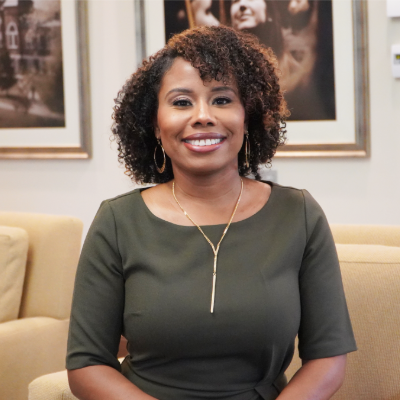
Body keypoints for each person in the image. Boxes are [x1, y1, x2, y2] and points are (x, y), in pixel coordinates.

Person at [66, 25, 356, 400]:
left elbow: (328, 360)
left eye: (221, 100)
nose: (202, 116)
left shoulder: (298, 214)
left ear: (247, 117)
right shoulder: (117, 222)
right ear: (156, 125)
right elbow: (86, 364)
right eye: (181, 102)